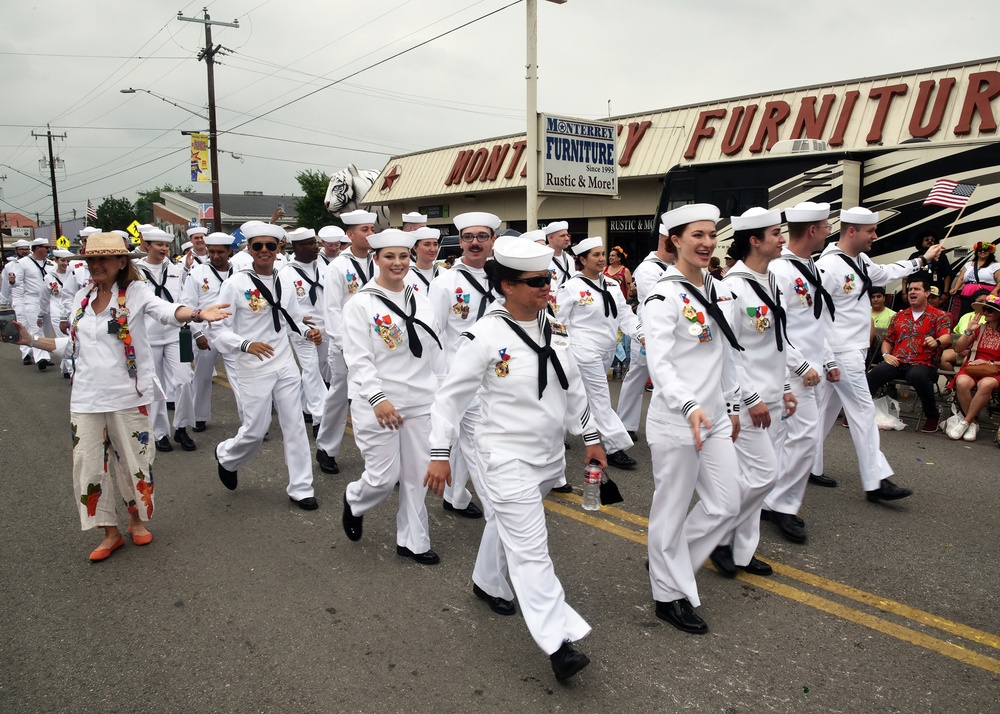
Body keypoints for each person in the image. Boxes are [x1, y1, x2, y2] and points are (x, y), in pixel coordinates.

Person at [424, 237, 605, 682]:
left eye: (550, 279)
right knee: (531, 549)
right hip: (501, 455)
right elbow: (448, 400)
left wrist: (593, 437)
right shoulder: (485, 335)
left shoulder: (555, 326)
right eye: (537, 281)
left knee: (505, 525)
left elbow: (573, 386)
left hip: (546, 455)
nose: (548, 287)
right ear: (506, 285)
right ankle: (558, 642)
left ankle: (486, 580)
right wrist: (440, 455)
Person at [6, 232, 228, 560]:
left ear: (121, 262)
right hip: (86, 398)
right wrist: (31, 340)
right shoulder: (82, 296)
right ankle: (109, 532)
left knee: (134, 463)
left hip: (128, 395)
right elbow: (74, 345)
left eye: (103, 259)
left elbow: (166, 311)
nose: (96, 265)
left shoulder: (136, 293)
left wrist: (195, 315)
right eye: (91, 260)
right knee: (89, 467)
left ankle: (136, 522)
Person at [643, 203, 742, 635]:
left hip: (715, 416)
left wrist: (734, 403)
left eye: (710, 235)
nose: (706, 243)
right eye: (696, 235)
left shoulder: (721, 290)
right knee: (670, 508)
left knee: (727, 502)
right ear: (676, 241)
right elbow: (660, 364)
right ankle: (667, 594)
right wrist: (688, 405)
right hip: (677, 419)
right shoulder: (662, 295)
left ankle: (667, 557)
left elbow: (728, 353)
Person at [814, 207, 942, 502]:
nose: (875, 235)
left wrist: (921, 260)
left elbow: (885, 272)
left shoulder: (859, 260)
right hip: (839, 352)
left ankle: (806, 464)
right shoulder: (830, 267)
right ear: (851, 231)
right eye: (870, 231)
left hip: (851, 350)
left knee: (824, 412)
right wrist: (827, 356)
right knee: (862, 411)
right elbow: (815, 316)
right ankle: (876, 480)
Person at [712, 207, 805, 580]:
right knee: (763, 475)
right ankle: (714, 536)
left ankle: (740, 548)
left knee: (752, 476)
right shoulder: (731, 287)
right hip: (746, 400)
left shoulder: (771, 281)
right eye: (775, 234)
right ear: (754, 240)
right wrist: (748, 399)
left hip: (771, 395)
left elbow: (776, 342)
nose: (782, 239)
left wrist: (784, 387)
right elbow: (727, 351)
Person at [341, 229, 444, 563]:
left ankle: (413, 541)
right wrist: (377, 398)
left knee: (418, 476)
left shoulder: (421, 298)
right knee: (384, 480)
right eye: (389, 256)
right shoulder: (361, 303)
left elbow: (435, 349)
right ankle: (355, 499)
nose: (397, 263)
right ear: (376, 259)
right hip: (379, 404)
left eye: (403, 256)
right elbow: (358, 359)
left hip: (420, 400)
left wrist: (444, 391)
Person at [211, 223, 324, 510]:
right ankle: (227, 456)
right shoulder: (235, 284)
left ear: (279, 249)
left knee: (295, 424)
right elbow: (217, 328)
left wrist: (306, 332)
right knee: (256, 430)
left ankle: (301, 488)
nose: (264, 251)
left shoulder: (285, 280)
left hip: (284, 362)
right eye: (257, 246)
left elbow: (292, 318)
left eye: (270, 246)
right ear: (248, 249)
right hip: (252, 364)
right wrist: (245, 344)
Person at [762, 201, 833, 544]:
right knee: (804, 439)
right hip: (793, 370)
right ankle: (782, 505)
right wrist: (801, 364)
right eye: (826, 225)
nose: (829, 229)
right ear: (812, 230)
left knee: (784, 439)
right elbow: (775, 327)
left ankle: (768, 497)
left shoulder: (809, 266)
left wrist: (827, 359)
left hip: (811, 367)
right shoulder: (781, 270)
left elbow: (815, 321)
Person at [427, 212, 501, 519]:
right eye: (469, 237)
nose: (475, 243)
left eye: (482, 237)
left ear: (493, 241)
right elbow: (434, 334)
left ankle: (455, 496)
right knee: (478, 444)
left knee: (462, 441)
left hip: (497, 374)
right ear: (460, 242)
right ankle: (498, 513)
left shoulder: (504, 278)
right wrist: (444, 380)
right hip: (462, 378)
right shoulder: (445, 283)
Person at [556, 236, 640, 470]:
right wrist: (559, 352)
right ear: (582, 260)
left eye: (603, 254)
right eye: (596, 255)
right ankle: (615, 446)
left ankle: (554, 438)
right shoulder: (571, 287)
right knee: (600, 398)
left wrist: (641, 334)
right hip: (583, 350)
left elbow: (625, 315)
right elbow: (558, 322)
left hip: (607, 349)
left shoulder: (612, 285)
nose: (602, 258)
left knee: (574, 396)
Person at [315, 210, 378, 475]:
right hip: (345, 346)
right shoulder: (338, 266)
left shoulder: (378, 261)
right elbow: (331, 310)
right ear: (350, 235)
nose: (370, 234)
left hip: (376, 342)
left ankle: (379, 458)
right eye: (365, 230)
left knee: (376, 397)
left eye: (372, 229)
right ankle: (326, 448)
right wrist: (345, 345)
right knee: (340, 397)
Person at [134, 228, 198, 453]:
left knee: (184, 380)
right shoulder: (135, 271)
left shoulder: (175, 269)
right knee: (156, 387)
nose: (163, 249)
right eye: (158, 245)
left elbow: (183, 297)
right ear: (146, 244)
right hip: (148, 337)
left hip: (173, 334)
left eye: (166, 245)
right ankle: (160, 433)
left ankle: (182, 427)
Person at [867, 275, 952, 433]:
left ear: (927, 293)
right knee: (875, 373)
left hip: (924, 363)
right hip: (898, 361)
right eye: (910, 289)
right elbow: (887, 341)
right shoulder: (899, 316)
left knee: (917, 375)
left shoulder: (939, 316)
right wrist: (886, 355)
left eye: (917, 289)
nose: (912, 292)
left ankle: (932, 416)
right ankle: (860, 413)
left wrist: (937, 342)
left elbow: (946, 336)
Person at [616, 223, 674, 439]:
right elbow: (659, 302)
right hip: (649, 333)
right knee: (637, 379)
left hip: (672, 334)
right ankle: (625, 424)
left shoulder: (677, 266)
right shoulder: (648, 268)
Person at [180, 231, 241, 431]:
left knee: (239, 376)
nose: (215, 256)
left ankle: (249, 420)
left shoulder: (240, 272)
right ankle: (199, 416)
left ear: (229, 251)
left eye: (220, 252)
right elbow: (188, 304)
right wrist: (197, 333)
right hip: (206, 331)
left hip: (232, 330)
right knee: (203, 376)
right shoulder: (197, 273)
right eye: (211, 252)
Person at [279, 227, 328, 429]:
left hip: (326, 328)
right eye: (310, 244)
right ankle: (320, 418)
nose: (316, 247)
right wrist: (300, 323)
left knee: (322, 368)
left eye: (315, 243)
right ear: (298, 247)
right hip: (302, 330)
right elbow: (284, 305)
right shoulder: (286, 274)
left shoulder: (324, 267)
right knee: (311, 370)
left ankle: (303, 405)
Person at [946, 295, 1000, 440]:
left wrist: (989, 363)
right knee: (962, 382)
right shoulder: (980, 329)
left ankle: (966, 421)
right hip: (973, 367)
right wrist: (968, 331)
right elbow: (958, 349)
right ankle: (973, 423)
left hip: (995, 370)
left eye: (990, 310)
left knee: (985, 384)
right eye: (985, 309)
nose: (985, 313)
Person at [11, 238, 52, 368]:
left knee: (47, 329)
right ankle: (41, 358)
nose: (48, 250)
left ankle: (46, 354)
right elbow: (17, 282)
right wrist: (12, 281)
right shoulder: (23, 263)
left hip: (49, 300)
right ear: (38, 248)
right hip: (32, 300)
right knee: (36, 328)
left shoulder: (51, 263)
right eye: (46, 247)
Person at [940, 289, 990, 371]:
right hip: (960, 349)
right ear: (974, 303)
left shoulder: (991, 318)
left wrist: (970, 351)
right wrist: (968, 331)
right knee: (941, 357)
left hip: (977, 352)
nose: (984, 304)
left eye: (986, 301)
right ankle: (953, 381)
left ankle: (962, 381)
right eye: (980, 301)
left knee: (967, 361)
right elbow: (955, 336)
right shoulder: (965, 316)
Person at [949, 241, 999, 323]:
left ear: (990, 252)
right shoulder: (968, 264)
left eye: (985, 250)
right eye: (980, 250)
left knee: (985, 312)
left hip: (986, 295)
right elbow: (961, 278)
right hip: (967, 294)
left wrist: (995, 290)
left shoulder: (995, 265)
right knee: (965, 312)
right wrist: (955, 288)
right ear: (976, 252)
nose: (982, 251)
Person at [46, 249, 75, 378]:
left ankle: (66, 367)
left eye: (68, 261)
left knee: (72, 339)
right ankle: (70, 370)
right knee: (63, 338)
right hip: (57, 310)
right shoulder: (49, 276)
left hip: (72, 308)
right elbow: (43, 296)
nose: (66, 263)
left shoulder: (73, 274)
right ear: (56, 261)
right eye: (63, 260)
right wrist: (41, 313)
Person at [905, 230, 952, 296]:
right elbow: (905, 277)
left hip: (935, 293)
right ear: (920, 242)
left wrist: (945, 293)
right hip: (917, 293)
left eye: (932, 240)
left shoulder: (941, 256)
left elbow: (947, 275)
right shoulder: (914, 256)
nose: (930, 241)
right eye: (926, 240)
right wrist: (904, 293)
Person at [407, 226, 441, 292]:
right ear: (415, 248)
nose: (432, 249)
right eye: (427, 245)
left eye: (435, 244)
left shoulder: (445, 274)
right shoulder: (406, 276)